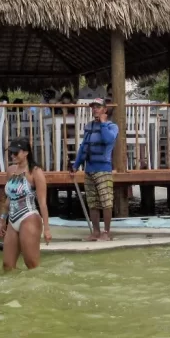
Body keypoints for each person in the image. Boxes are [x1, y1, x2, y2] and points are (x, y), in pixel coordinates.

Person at [0, 137, 51, 270]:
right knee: (7, 265)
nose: (12, 155)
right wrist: (2, 220)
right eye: (11, 152)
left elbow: (42, 203)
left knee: (31, 263)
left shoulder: (36, 172)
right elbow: (8, 198)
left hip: (29, 217)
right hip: (12, 219)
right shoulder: (11, 170)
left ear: (26, 153)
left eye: (16, 153)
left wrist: (47, 229)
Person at [72, 97, 119, 241]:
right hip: (89, 169)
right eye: (93, 107)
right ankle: (96, 232)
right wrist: (76, 165)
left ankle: (106, 232)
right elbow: (83, 147)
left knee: (106, 202)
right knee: (92, 202)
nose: (95, 109)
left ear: (105, 109)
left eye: (98, 107)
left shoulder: (112, 126)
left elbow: (108, 140)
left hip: (103, 169)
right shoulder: (89, 126)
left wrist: (103, 123)